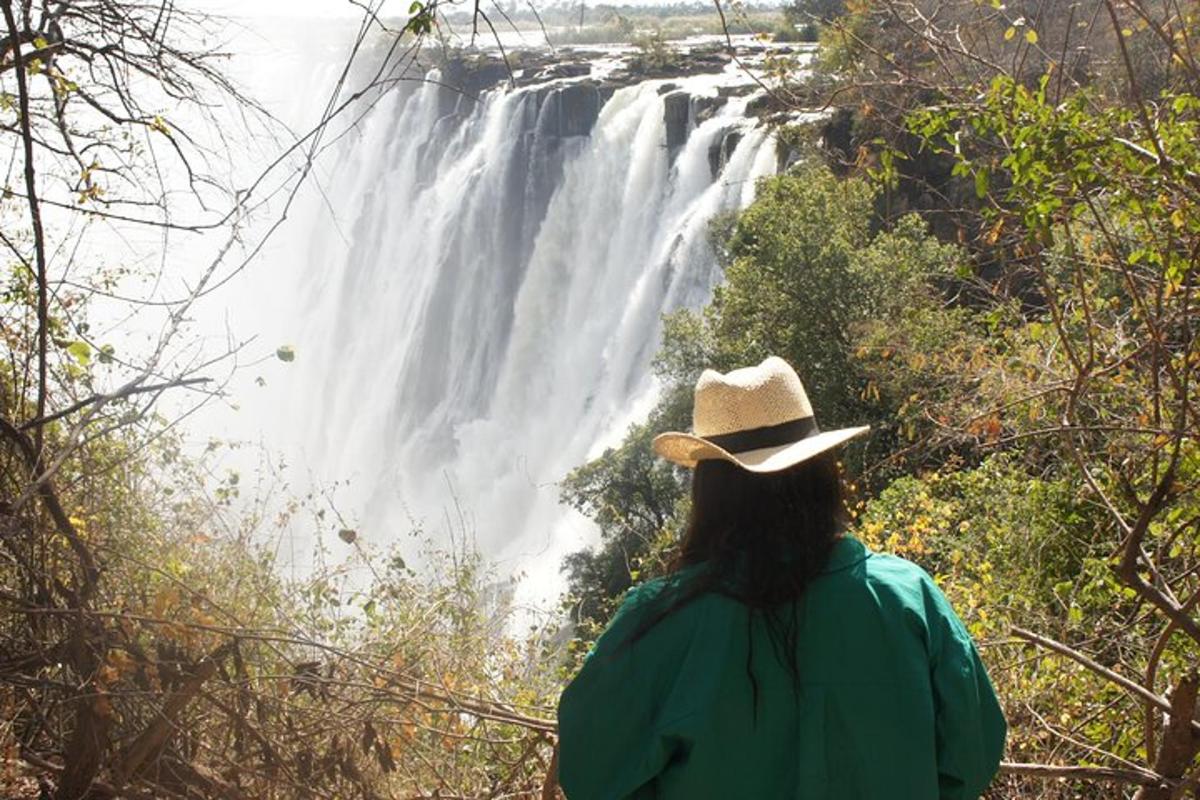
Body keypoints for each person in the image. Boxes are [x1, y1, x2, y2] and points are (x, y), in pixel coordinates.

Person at [556, 356, 1006, 799]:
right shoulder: (907, 599)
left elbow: (590, 771)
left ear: (710, 491)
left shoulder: (660, 621)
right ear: (822, 472)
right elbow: (971, 758)